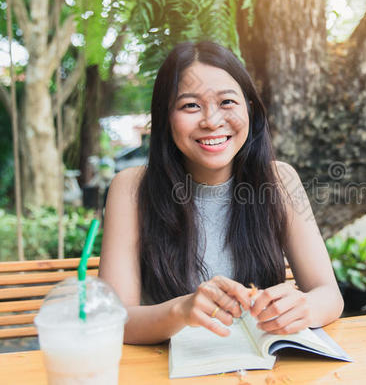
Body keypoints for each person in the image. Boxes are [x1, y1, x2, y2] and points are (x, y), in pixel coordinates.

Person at [99, 41, 343, 344]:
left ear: (250, 110)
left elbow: (329, 295)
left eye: (227, 102)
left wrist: (304, 307)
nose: (212, 121)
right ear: (165, 118)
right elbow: (115, 320)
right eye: (190, 105)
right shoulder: (132, 188)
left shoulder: (279, 180)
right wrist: (181, 311)